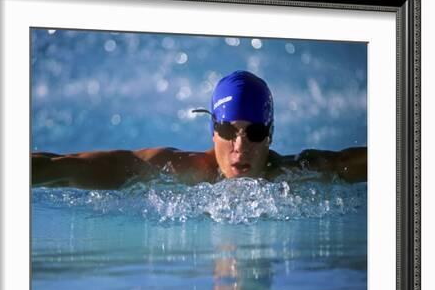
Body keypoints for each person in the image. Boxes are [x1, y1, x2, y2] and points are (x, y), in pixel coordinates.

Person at [32, 70, 366, 190]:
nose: (239, 147)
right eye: (227, 130)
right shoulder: (176, 170)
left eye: (254, 133)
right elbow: (68, 166)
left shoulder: (300, 174)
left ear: (271, 135)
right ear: (212, 131)